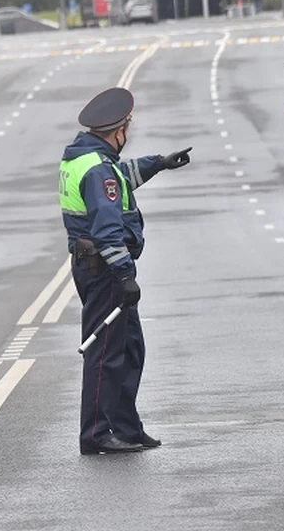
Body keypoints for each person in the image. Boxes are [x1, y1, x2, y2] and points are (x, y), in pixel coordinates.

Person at [59, 87, 192, 455]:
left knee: (129, 348)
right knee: (105, 354)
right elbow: (106, 228)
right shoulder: (98, 167)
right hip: (104, 270)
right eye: (127, 130)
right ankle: (97, 435)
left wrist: (159, 163)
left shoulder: (89, 158)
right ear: (117, 130)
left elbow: (122, 176)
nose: (127, 136)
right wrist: (124, 275)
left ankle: (127, 428)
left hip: (99, 267)